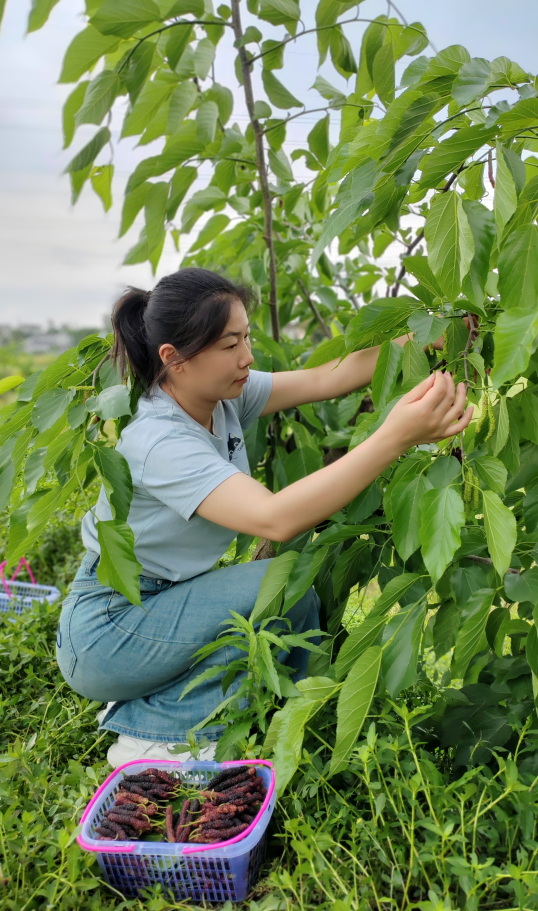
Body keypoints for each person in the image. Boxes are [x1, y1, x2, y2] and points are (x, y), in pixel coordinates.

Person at [55, 268, 473, 768]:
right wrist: (394, 436)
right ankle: (153, 735)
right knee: (276, 581)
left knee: (287, 596)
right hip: (108, 631)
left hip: (158, 606)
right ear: (175, 359)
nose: (247, 356)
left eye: (247, 337)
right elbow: (275, 519)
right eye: (231, 344)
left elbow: (327, 378)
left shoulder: (219, 397)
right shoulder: (159, 440)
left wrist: (427, 339)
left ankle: (262, 718)